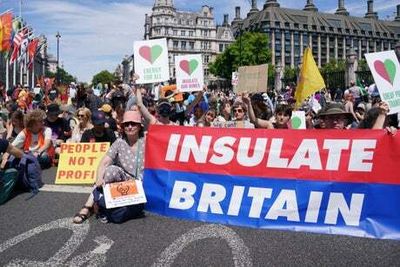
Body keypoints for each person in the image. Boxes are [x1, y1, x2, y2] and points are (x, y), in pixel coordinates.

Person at [72, 110, 145, 224]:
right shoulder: (119, 142)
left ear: (140, 126)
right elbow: (105, 162)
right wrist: (99, 178)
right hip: (125, 182)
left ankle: (103, 206)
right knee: (111, 170)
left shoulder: (147, 141)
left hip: (142, 183)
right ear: (123, 127)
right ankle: (87, 206)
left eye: (133, 124)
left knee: (118, 215)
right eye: (126, 124)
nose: (130, 127)